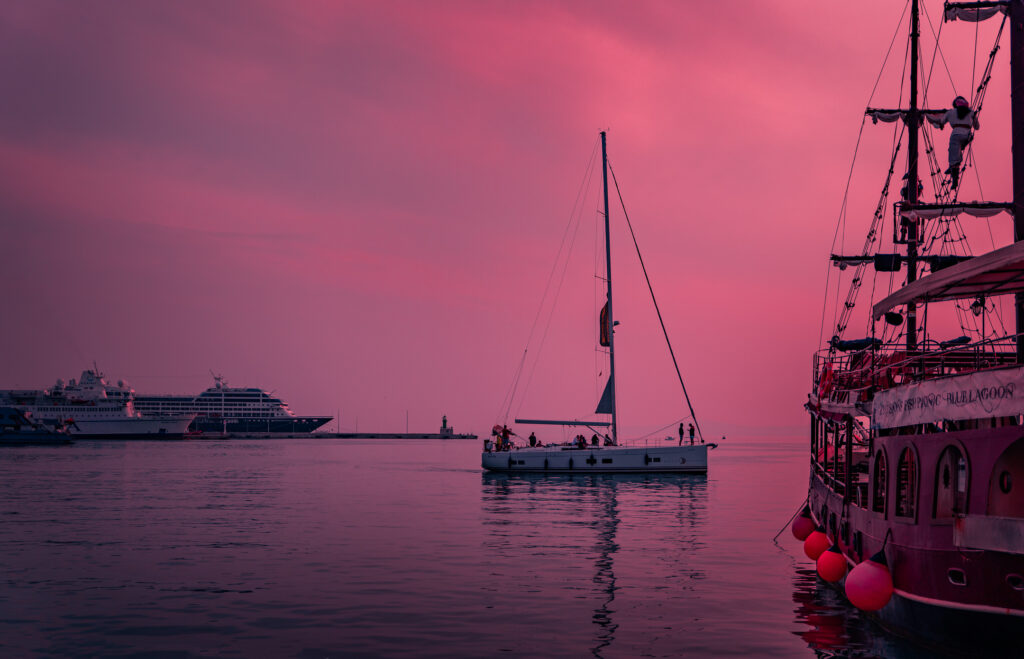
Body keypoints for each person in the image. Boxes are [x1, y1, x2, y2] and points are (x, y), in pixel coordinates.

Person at [939, 96, 979, 187]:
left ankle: (954, 178)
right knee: (956, 151)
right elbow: (977, 127)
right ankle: (952, 167)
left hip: (956, 135)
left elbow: (941, 121)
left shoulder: (950, 112)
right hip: (967, 136)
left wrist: (941, 125)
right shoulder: (971, 112)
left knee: (953, 155)